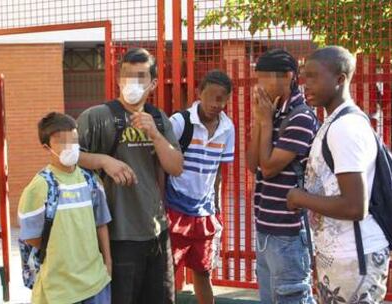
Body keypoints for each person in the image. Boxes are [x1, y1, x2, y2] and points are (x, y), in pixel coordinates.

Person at [77, 47, 183, 304]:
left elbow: (176, 166)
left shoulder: (159, 119)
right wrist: (103, 160)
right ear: (118, 79)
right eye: (127, 76)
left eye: (140, 77)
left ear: (153, 83)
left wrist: (156, 135)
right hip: (117, 233)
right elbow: (68, 157)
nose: (132, 83)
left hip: (156, 231)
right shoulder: (97, 117)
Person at [287, 46, 390, 303]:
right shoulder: (334, 122)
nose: (305, 85)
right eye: (304, 77)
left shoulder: (345, 128)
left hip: (354, 257)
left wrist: (300, 198)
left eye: (314, 76)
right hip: (341, 255)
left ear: (340, 79)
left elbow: (355, 206)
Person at [246, 49, 318, 303]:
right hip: (265, 227)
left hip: (287, 233)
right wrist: (259, 121)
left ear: (288, 76)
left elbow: (268, 168)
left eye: (266, 78)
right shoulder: (271, 112)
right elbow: (251, 163)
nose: (260, 86)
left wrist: (265, 123)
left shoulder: (300, 116)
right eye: (258, 78)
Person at [18, 112, 112, 304]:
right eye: (61, 141)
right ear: (46, 147)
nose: (70, 146)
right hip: (58, 291)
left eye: (74, 139)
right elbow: (32, 237)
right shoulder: (39, 187)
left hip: (95, 284)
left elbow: (101, 223)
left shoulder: (91, 180)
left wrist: (107, 263)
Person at [165, 70, 235, 304]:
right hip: (174, 209)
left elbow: (218, 172)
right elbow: (161, 162)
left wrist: (215, 209)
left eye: (222, 98)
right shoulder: (180, 122)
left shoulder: (228, 128)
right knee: (168, 274)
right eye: (211, 97)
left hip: (204, 213)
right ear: (198, 93)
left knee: (203, 272)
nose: (216, 104)